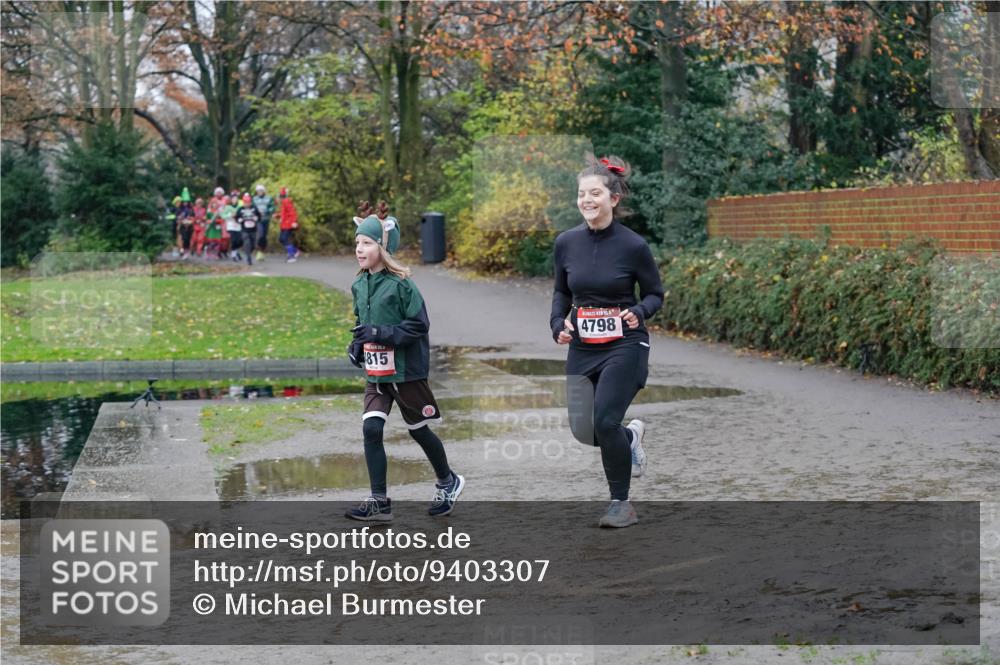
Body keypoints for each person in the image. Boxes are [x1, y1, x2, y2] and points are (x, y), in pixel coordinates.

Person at [550, 154, 664, 528]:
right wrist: (557, 324)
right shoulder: (566, 243)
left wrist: (640, 311)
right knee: (585, 430)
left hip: (625, 344)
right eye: (582, 193)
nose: (587, 200)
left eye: (595, 193)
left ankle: (621, 504)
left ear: (613, 198)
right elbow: (561, 293)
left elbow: (654, 294)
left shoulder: (633, 246)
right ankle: (629, 439)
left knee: (604, 419)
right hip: (583, 346)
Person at [345, 200, 464, 522]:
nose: (359, 249)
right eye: (357, 242)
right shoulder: (359, 284)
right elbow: (361, 323)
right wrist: (356, 345)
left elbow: (419, 326)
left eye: (367, 243)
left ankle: (448, 481)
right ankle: (379, 500)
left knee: (419, 430)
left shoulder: (402, 285)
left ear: (383, 248)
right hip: (377, 372)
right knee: (371, 428)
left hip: (406, 372)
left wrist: (379, 333)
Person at [235, 193, 261, 265]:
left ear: (250, 202)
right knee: (247, 243)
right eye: (245, 202)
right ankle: (248, 258)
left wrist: (257, 218)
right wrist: (239, 220)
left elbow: (259, 216)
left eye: (248, 202)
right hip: (244, 230)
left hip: (253, 229)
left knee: (253, 244)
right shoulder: (240, 209)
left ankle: (248, 253)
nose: (247, 204)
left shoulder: (254, 208)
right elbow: (236, 217)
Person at [252, 184, 275, 261]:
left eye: (261, 191)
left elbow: (272, 207)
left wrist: (266, 211)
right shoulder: (254, 199)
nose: (259, 192)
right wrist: (256, 213)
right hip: (258, 220)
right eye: (258, 191)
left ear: (264, 191)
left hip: (266, 219)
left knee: (264, 236)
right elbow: (252, 208)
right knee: (260, 234)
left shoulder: (269, 198)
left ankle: (262, 251)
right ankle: (259, 251)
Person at [277, 187, 300, 263]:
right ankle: (295, 251)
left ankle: (291, 256)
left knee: (285, 239)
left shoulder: (286, 201)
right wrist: (277, 215)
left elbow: (292, 212)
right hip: (284, 225)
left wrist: (294, 222)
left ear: (281, 196)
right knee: (281, 239)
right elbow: (284, 213)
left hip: (288, 224)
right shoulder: (283, 203)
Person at [220, 195, 242, 262]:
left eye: (236, 199)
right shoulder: (227, 207)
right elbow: (223, 216)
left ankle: (236, 251)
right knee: (234, 240)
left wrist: (239, 218)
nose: (234, 200)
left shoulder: (240, 207)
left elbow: (242, 215)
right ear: (231, 200)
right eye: (233, 199)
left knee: (240, 241)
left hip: (238, 226)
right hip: (230, 226)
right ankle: (233, 255)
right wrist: (230, 215)